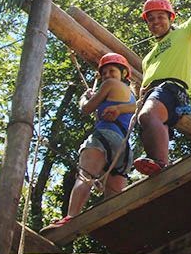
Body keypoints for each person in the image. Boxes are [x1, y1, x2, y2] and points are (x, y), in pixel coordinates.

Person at [103, 0, 191, 176]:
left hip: (171, 90)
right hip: (154, 96)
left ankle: (159, 161)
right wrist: (138, 99)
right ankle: (161, 165)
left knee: (148, 116)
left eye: (160, 17)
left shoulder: (185, 33)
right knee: (147, 119)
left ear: (171, 17)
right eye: (151, 20)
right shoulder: (148, 58)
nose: (156, 22)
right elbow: (144, 87)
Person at [42, 52, 137, 231]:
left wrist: (85, 98)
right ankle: (117, 228)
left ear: (123, 74)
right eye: (105, 73)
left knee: (85, 176)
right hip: (123, 149)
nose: (107, 76)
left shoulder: (109, 85)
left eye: (112, 71)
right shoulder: (131, 96)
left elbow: (86, 109)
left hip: (104, 138)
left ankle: (71, 217)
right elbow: (135, 108)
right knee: (114, 199)